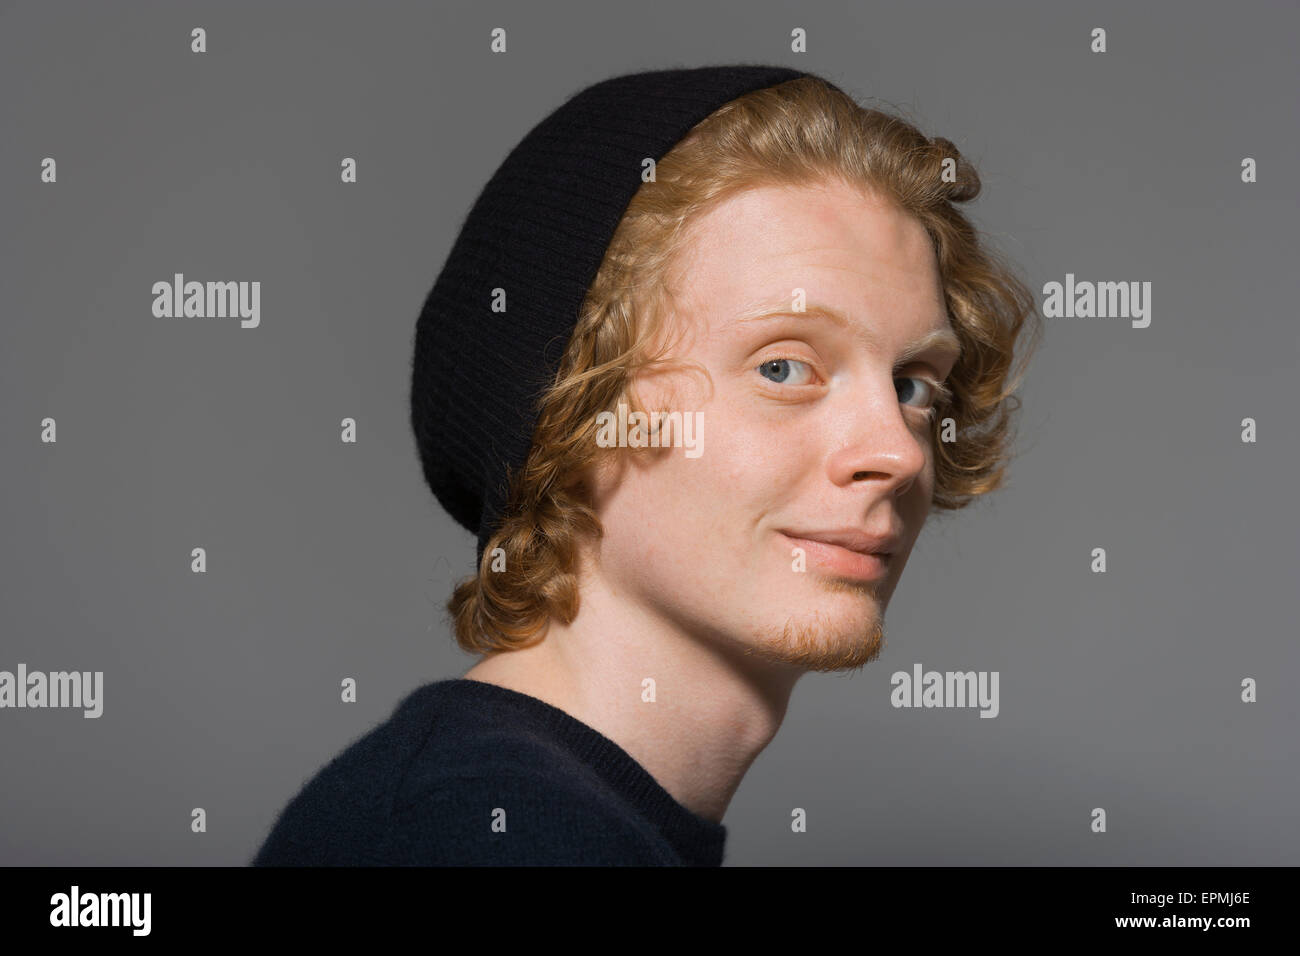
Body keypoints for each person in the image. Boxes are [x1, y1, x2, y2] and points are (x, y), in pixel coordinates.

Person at [252, 63, 1041, 867]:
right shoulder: (483, 837)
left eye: (912, 384)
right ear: (575, 406)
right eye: (782, 367)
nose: (899, 451)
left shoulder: (530, 817)